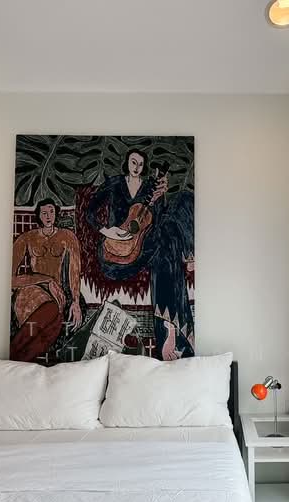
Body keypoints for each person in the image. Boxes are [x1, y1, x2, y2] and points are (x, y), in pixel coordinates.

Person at [86, 148, 194, 360]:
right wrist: (106, 230)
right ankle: (175, 330)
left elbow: (156, 219)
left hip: (144, 246)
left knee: (182, 201)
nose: (136, 167)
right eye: (133, 162)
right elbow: (90, 210)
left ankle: (169, 330)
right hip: (115, 253)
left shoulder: (148, 186)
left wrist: (160, 198)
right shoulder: (114, 183)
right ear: (126, 162)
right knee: (166, 247)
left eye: (141, 164)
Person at [10, 198, 82, 361]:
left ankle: (18, 357)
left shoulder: (68, 236)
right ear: (38, 215)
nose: (48, 216)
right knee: (51, 311)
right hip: (31, 288)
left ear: (56, 213)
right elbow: (10, 280)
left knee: (55, 317)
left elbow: (75, 271)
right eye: (44, 213)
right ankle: (17, 352)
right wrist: (47, 280)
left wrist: (76, 301)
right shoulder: (27, 238)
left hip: (57, 291)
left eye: (51, 212)